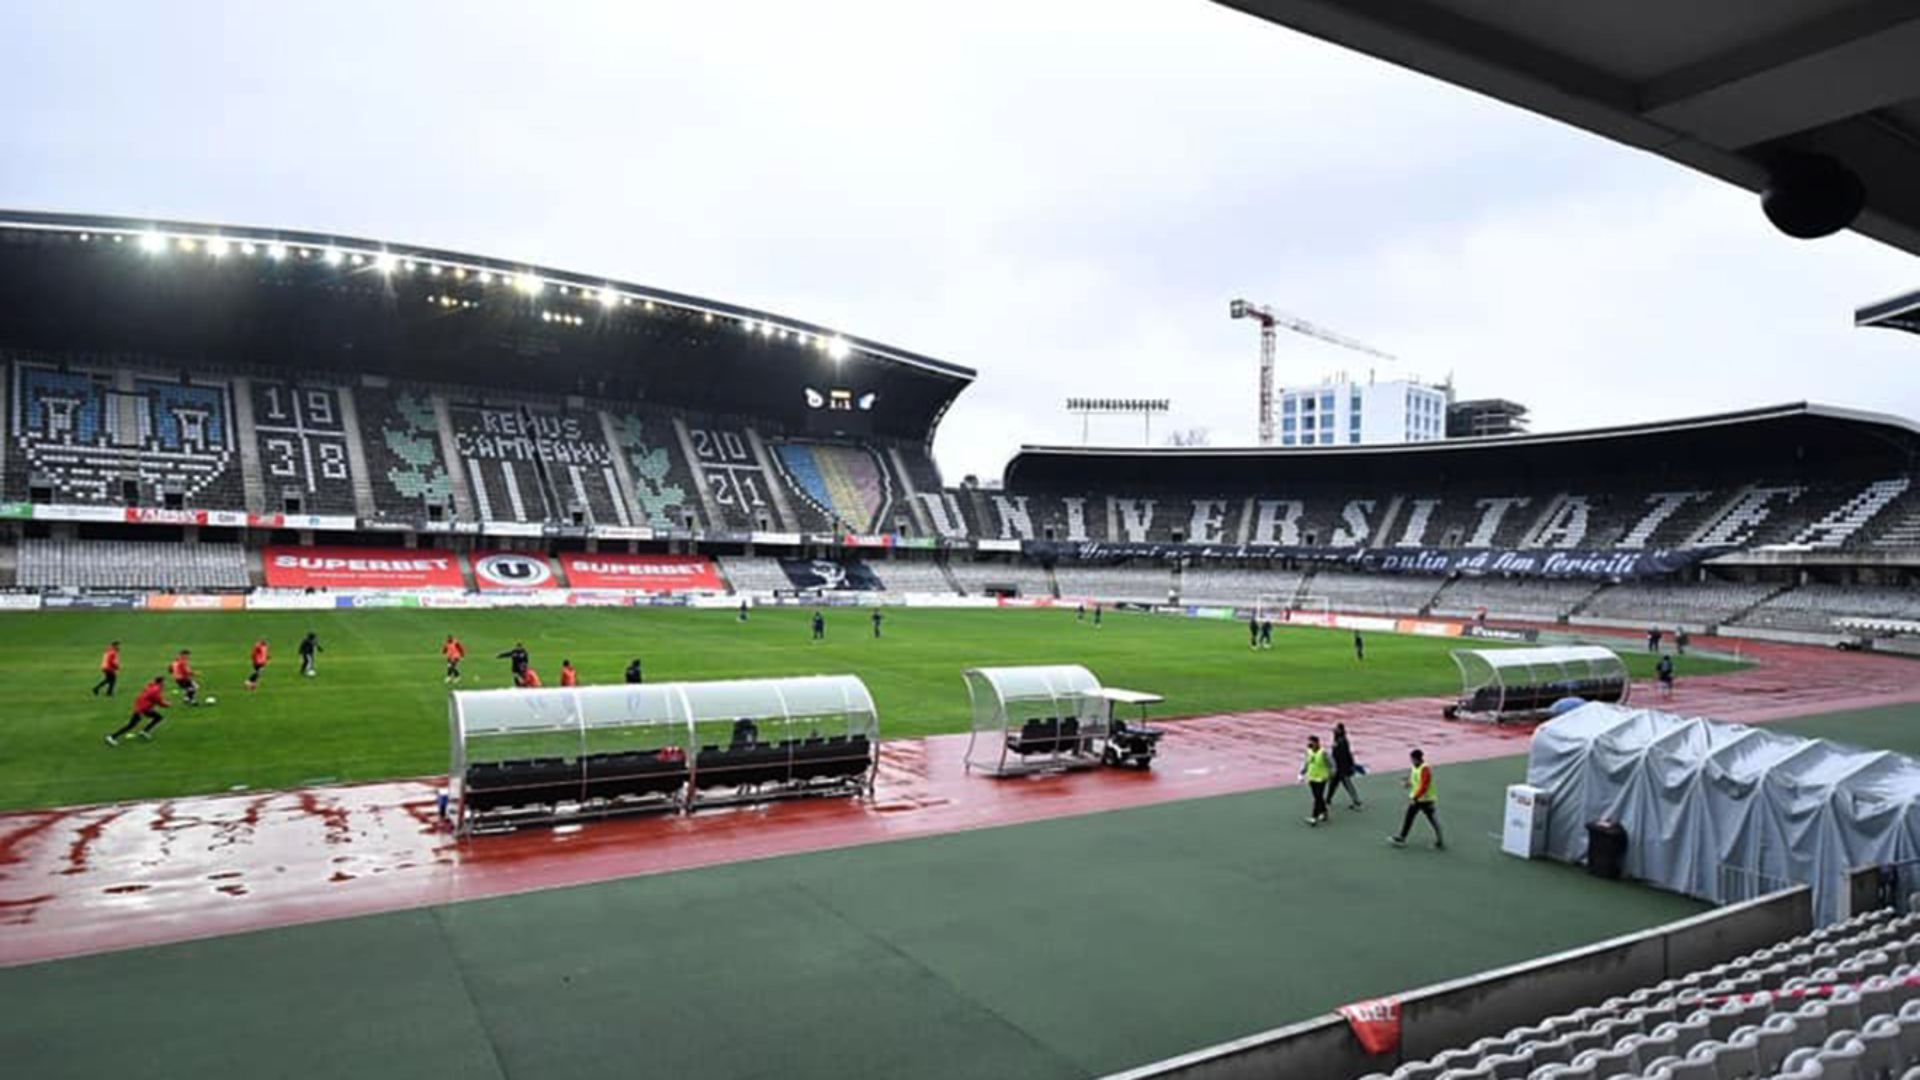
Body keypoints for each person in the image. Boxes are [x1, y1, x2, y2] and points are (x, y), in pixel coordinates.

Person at [1389, 749, 1444, 849]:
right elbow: (1415, 781)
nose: (1411, 761)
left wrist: (1415, 798)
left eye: (1412, 759)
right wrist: (1407, 783)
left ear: (1417, 759)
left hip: (1425, 800)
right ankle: (1402, 838)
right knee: (1411, 817)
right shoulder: (1415, 767)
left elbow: (1424, 786)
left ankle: (1439, 840)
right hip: (1418, 799)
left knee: (1430, 819)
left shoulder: (1425, 769)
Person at [105, 676, 168, 745]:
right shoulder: (155, 690)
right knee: (131, 725)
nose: (165, 683)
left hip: (145, 708)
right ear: (160, 682)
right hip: (142, 709)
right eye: (164, 682)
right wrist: (168, 704)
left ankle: (144, 731)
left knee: (158, 717)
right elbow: (159, 701)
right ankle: (112, 737)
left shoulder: (152, 686)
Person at [1300, 734, 1333, 825]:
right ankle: (1324, 812)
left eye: (1312, 742)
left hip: (1321, 779)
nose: (1310, 744)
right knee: (1318, 797)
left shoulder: (1324, 753)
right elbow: (1307, 763)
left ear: (1317, 743)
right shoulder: (1309, 751)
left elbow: (1331, 765)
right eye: (1309, 742)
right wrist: (1302, 773)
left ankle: (1314, 817)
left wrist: (1331, 775)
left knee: (1318, 797)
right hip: (1312, 778)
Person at [1330, 723, 1363, 810]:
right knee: (1333, 784)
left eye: (1336, 729)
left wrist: (1349, 766)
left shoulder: (1341, 742)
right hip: (1339, 767)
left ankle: (1356, 801)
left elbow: (1343, 755)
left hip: (1342, 768)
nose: (1335, 731)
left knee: (1347, 784)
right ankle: (1328, 799)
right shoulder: (1340, 740)